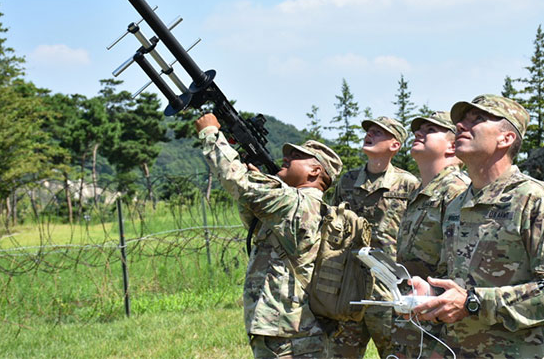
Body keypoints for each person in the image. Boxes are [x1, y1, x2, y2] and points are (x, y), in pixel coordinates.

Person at [411, 94, 544, 358]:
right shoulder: (457, 204)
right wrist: (431, 294)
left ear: (506, 138)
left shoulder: (537, 201)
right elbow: (455, 283)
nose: (460, 126)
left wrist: (473, 303)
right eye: (460, 122)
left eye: (477, 119)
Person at [194, 113, 343, 359]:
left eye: (297, 157)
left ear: (315, 171)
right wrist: (262, 184)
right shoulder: (298, 206)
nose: (286, 158)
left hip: (290, 336)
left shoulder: (296, 202)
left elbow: (238, 183)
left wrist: (210, 134)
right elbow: (251, 217)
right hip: (286, 331)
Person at [328, 116, 419, 358]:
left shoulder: (408, 184)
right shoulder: (347, 181)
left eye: (379, 133)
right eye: (369, 131)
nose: (370, 135)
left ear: (395, 145)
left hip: (389, 287)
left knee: (395, 353)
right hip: (349, 286)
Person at [394, 111, 470, 357]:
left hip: (442, 323)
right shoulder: (421, 192)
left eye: (430, 129)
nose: (419, 133)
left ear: (452, 145)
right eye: (419, 129)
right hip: (417, 314)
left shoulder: (457, 190)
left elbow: (462, 269)